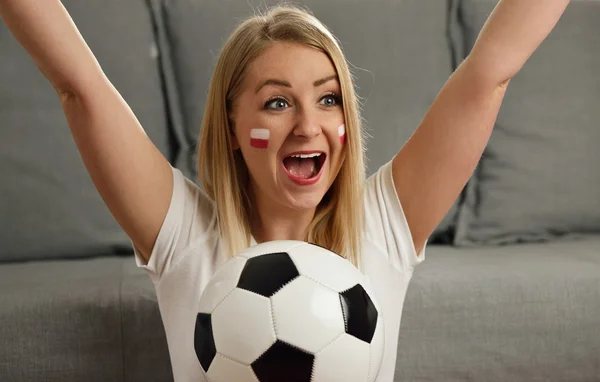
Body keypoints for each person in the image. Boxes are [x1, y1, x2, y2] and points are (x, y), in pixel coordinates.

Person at [0, 0, 571, 380]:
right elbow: (79, 86)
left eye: (328, 99)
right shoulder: (186, 237)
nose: (307, 125)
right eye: (277, 103)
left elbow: (490, 71)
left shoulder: (381, 226)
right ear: (230, 128)